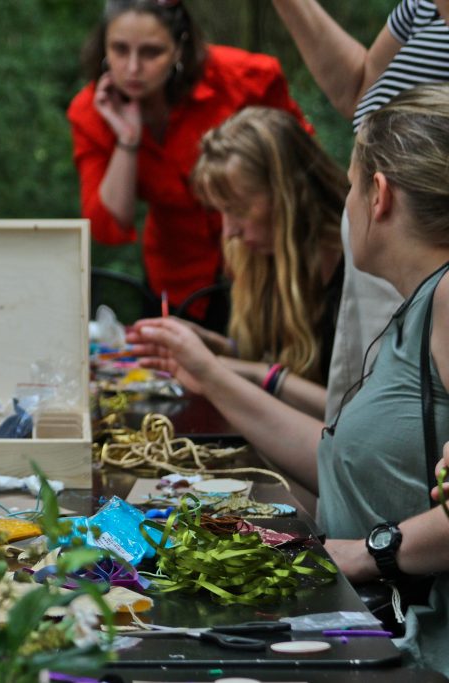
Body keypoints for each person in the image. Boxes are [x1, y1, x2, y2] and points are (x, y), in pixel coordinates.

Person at [129, 84, 449, 674]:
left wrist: (371, 552)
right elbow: (331, 454)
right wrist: (208, 373)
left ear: (378, 196)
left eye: (352, 185)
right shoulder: (421, 306)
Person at [67, 0, 310, 330]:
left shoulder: (244, 79)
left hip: (260, 258)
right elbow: (108, 223)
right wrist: (127, 139)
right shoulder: (92, 111)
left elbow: (304, 169)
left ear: (180, 48)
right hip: (175, 270)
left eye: (152, 52)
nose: (133, 68)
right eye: (120, 50)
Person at [270, 0, 449, 420]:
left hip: (425, 255)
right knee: (356, 430)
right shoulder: (423, 6)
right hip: (385, 258)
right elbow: (360, 90)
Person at [186, 106, 346, 416]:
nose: (230, 231)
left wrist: (258, 375)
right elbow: (267, 356)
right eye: (221, 211)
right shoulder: (258, 257)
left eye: (240, 209)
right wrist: (211, 346)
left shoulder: (359, 267)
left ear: (289, 195)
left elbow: (356, 417)